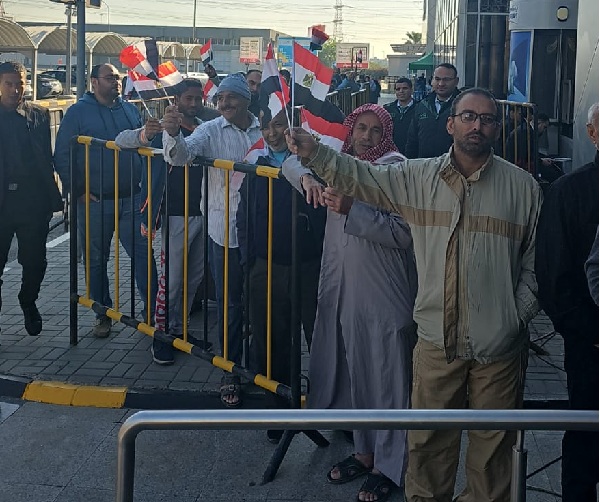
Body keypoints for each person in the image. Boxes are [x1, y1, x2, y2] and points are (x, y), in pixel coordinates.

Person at [285, 88, 542, 502]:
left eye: (487, 119)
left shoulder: (523, 188)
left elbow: (536, 264)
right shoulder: (417, 177)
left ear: (497, 128)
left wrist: (515, 316)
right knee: (428, 447)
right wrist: (314, 154)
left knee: (493, 455)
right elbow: (361, 176)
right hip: (436, 341)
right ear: (450, 123)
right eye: (468, 116)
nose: (477, 125)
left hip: (498, 347)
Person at [283, 104, 416, 502]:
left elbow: (405, 233)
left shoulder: (395, 170)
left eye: (376, 130)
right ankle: (365, 452)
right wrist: (306, 176)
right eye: (361, 128)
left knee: (389, 381)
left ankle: (390, 466)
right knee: (360, 376)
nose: (367, 137)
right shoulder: (339, 166)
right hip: (347, 290)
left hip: (384, 293)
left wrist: (353, 209)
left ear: (386, 135)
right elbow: (287, 160)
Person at [161, 73, 262, 407]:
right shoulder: (210, 130)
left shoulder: (264, 129)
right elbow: (180, 156)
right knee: (230, 304)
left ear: (246, 99)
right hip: (225, 231)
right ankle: (229, 370)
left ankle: (261, 367)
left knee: (261, 302)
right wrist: (172, 134)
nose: (224, 103)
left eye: (230, 97)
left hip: (262, 232)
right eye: (220, 99)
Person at [115, 78, 220, 365]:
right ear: (176, 101)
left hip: (204, 212)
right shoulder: (160, 129)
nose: (194, 104)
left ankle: (179, 330)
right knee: (171, 281)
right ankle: (161, 336)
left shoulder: (205, 128)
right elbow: (121, 140)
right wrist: (145, 134)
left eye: (198, 98)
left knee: (193, 278)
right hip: (174, 214)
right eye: (188, 98)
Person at [237, 108, 326, 443]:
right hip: (266, 268)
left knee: (322, 341)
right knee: (271, 342)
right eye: (266, 126)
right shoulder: (256, 167)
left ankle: (332, 411)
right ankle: (278, 411)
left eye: (279, 125)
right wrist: (250, 262)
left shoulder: (315, 164)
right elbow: (244, 217)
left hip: (310, 267)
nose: (272, 133)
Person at [54, 63, 158, 338]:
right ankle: (103, 313)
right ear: (94, 82)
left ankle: (152, 314)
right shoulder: (78, 112)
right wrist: (76, 190)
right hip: (95, 201)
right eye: (110, 77)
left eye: (118, 77)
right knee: (95, 260)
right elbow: (63, 153)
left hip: (132, 199)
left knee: (143, 256)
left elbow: (142, 146)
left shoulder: (129, 109)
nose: (116, 81)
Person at [535, 102, 599, 502]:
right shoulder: (570, 191)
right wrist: (591, 334)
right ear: (593, 134)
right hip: (591, 347)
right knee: (586, 436)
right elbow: (553, 277)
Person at [0, 61, 63, 337]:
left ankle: (28, 301)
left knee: (35, 262)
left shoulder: (38, 114)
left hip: (32, 201)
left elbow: (46, 157)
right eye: (9, 84)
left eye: (20, 84)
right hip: (2, 203)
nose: (15, 89)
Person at [404, 63, 460, 158]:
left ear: (456, 81)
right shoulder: (422, 105)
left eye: (446, 79)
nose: (441, 84)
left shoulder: (463, 106)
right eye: (437, 79)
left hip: (453, 165)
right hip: (424, 165)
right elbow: (412, 140)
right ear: (432, 80)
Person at [384, 78, 416, 153]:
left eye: (405, 88)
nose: (401, 91)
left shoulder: (420, 108)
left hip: (413, 152)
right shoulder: (387, 109)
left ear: (411, 90)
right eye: (398, 89)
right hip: (392, 152)